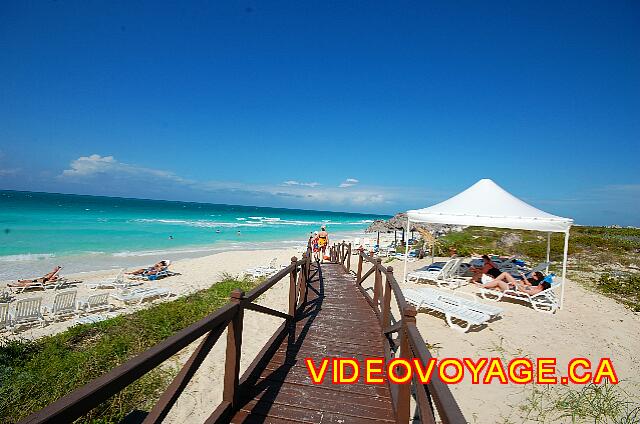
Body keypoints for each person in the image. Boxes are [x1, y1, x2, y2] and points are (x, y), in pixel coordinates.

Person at [475, 271, 550, 294]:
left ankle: (483, 286)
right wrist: (520, 284)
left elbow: (524, 291)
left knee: (498, 282)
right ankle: (488, 284)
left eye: (541, 283)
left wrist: (517, 285)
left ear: (542, 286)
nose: (540, 283)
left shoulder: (536, 290)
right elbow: (526, 288)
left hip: (515, 290)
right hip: (516, 287)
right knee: (499, 283)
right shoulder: (537, 289)